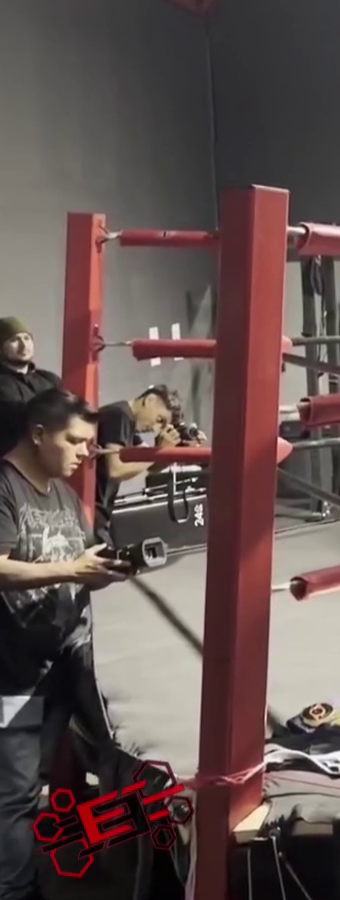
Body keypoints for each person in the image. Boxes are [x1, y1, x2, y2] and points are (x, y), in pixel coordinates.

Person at [0, 390, 129, 900]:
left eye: (88, 443)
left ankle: (99, 866)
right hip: (13, 671)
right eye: (74, 441)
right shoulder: (5, 487)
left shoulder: (62, 494)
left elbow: (82, 559)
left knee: (96, 763)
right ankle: (13, 890)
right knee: (15, 792)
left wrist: (106, 568)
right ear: (38, 434)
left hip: (66, 662)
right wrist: (72, 569)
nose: (84, 453)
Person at [93, 386, 184, 541]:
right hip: (92, 511)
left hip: (98, 512)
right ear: (150, 400)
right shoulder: (120, 416)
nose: (155, 428)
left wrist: (174, 449)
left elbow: (152, 466)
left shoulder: (128, 424)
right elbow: (116, 470)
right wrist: (157, 452)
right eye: (159, 420)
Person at [0, 318, 61, 455]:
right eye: (14, 340)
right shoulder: (3, 382)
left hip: (50, 459)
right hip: (10, 460)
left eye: (27, 338)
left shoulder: (50, 379)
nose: (23, 345)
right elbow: (21, 415)